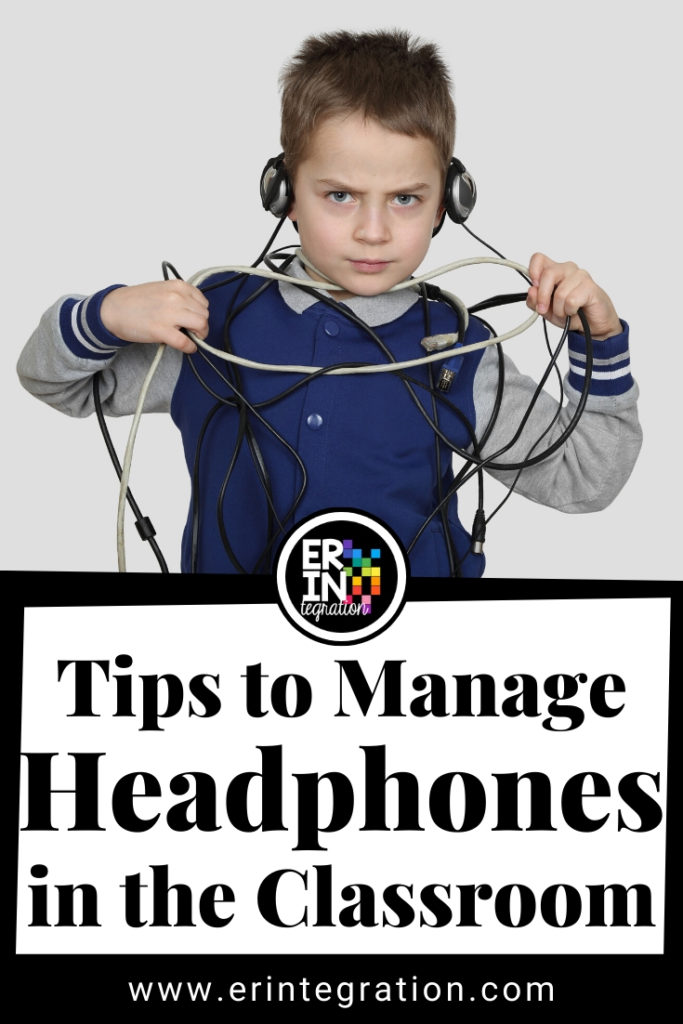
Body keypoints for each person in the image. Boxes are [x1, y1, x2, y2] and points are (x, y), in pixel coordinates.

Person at [17, 29, 641, 577]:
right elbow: (57, 384)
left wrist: (597, 343)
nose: (373, 231)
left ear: (448, 202)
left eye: (405, 199)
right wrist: (102, 315)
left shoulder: (457, 351)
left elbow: (588, 478)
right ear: (283, 191)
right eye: (340, 195)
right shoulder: (210, 323)